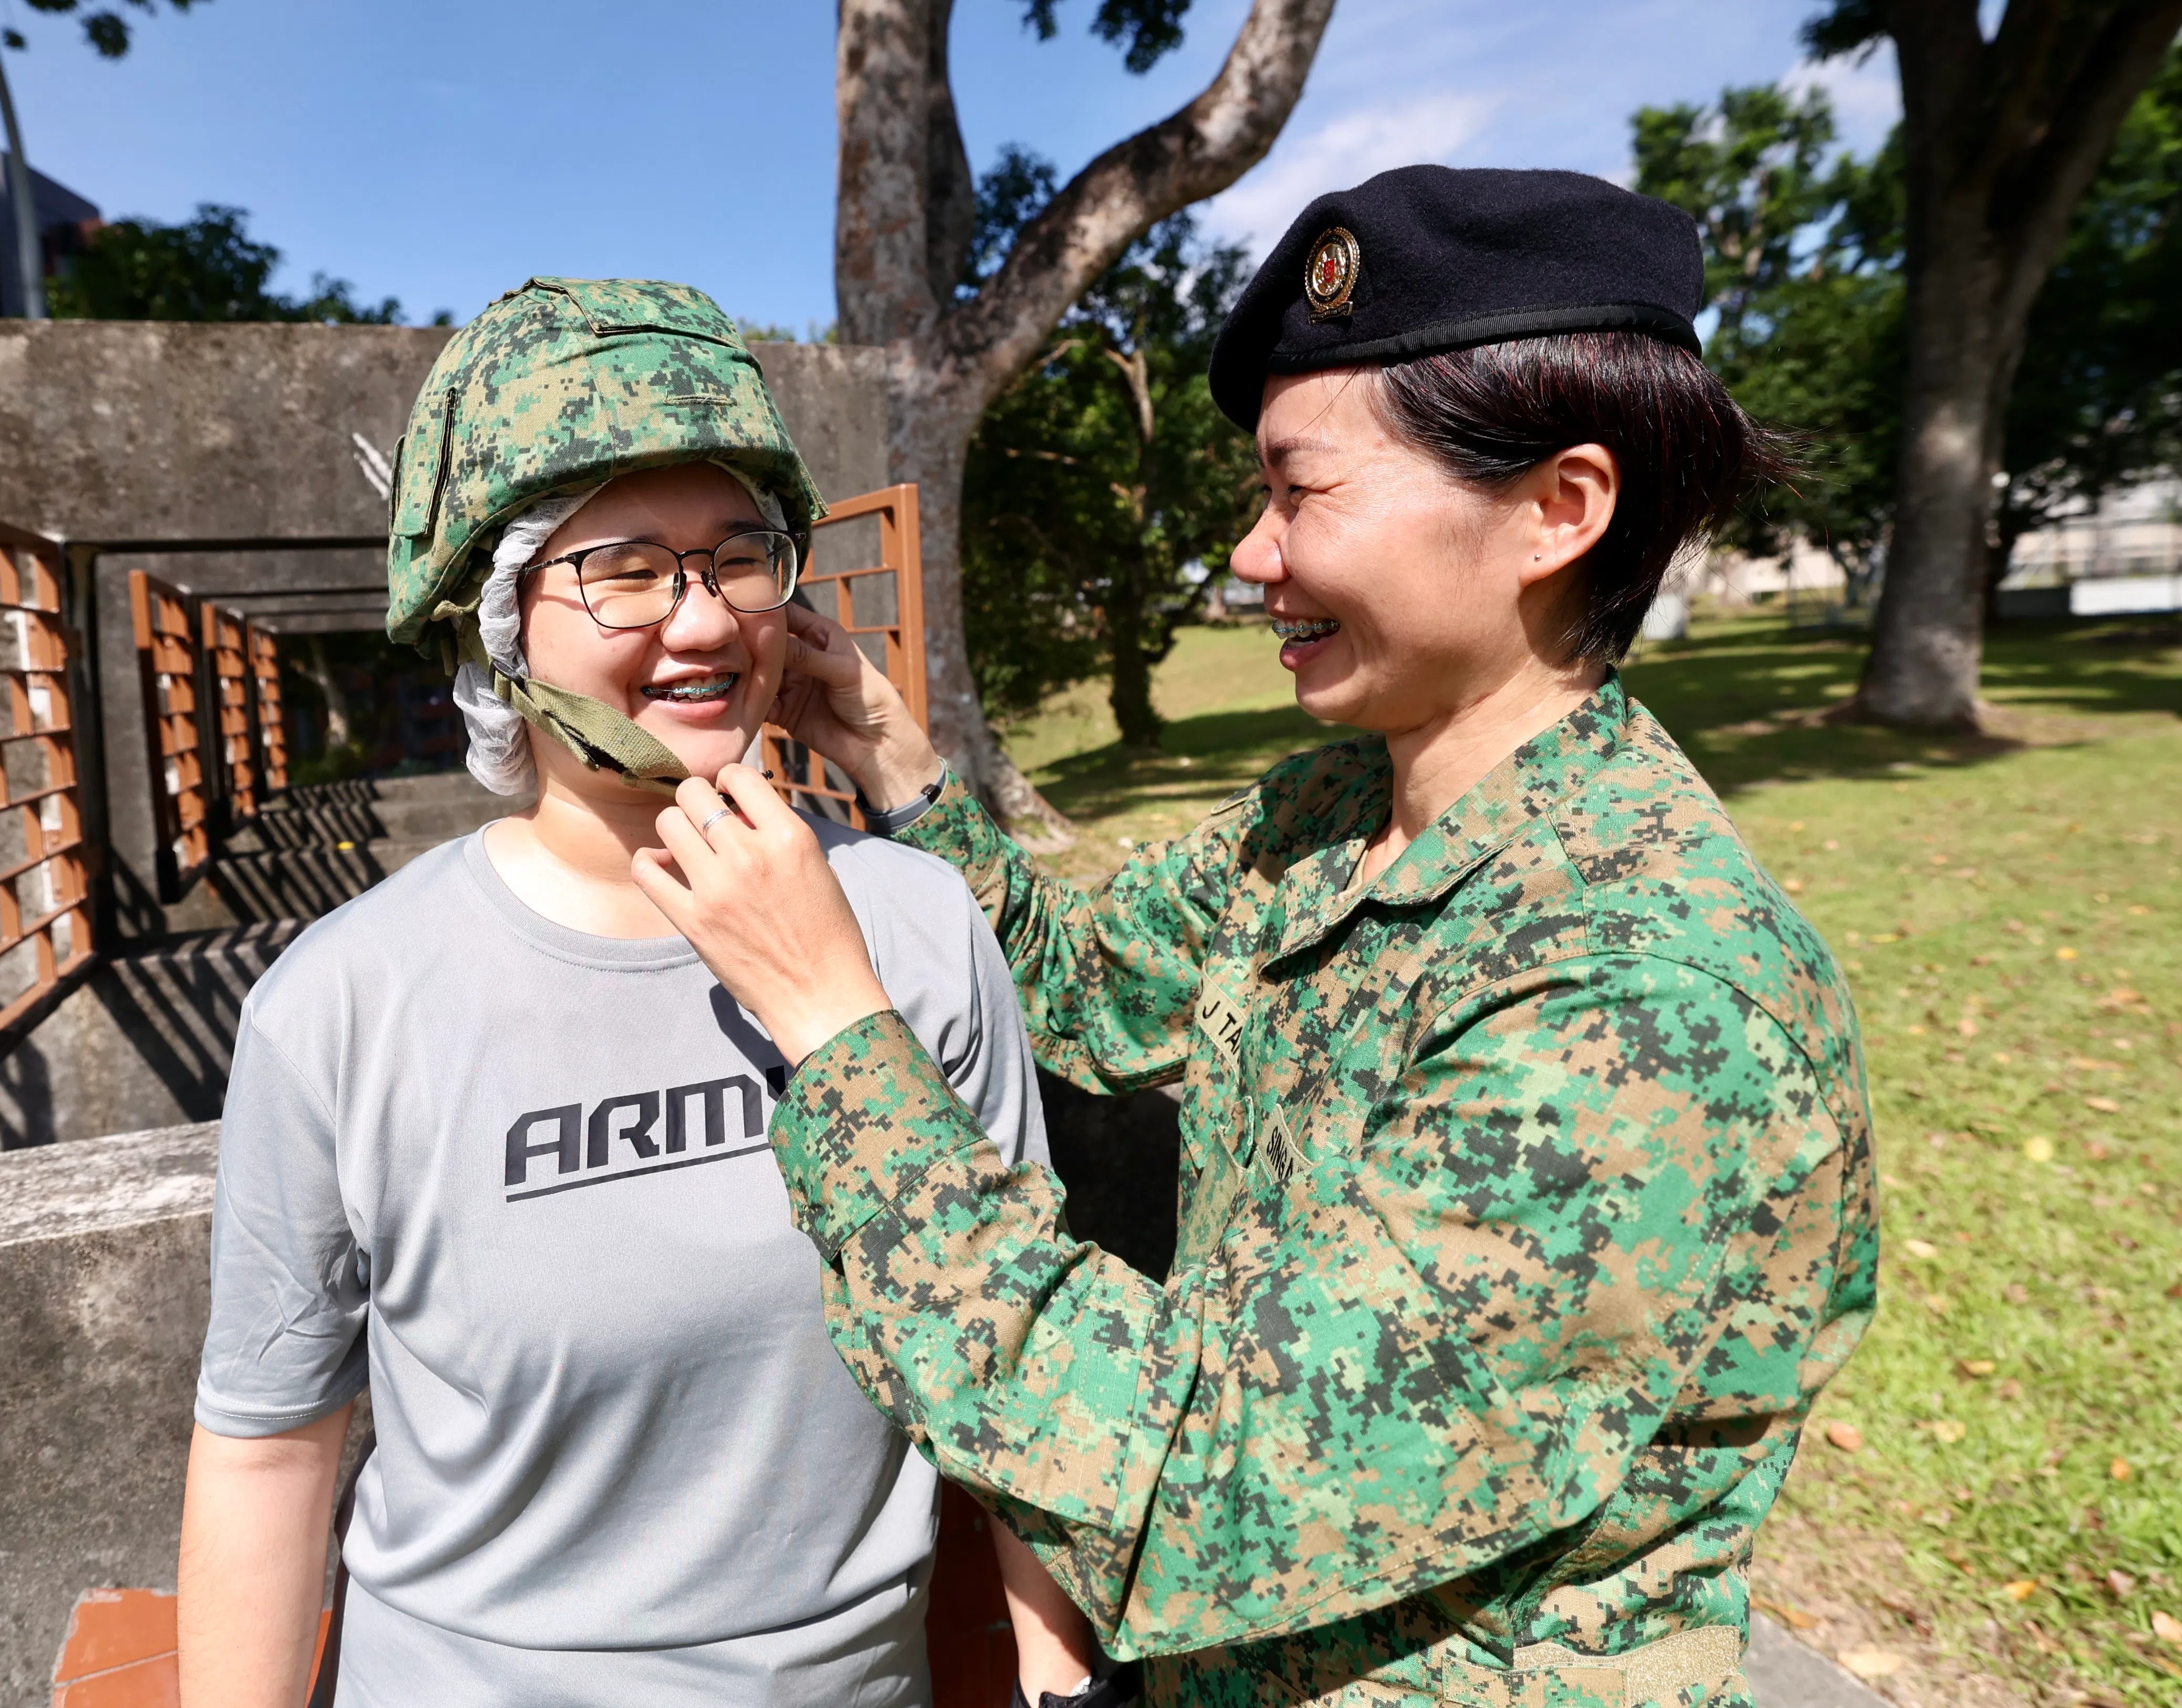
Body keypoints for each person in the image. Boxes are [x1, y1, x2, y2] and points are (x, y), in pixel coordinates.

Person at [631, 169, 1879, 1705]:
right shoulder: (1341, 805)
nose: (1252, 554)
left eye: (1304, 491)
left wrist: (834, 1029)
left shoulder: (1647, 1000)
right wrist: (898, 770)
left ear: (1559, 509)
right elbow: (1079, 989)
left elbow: (1213, 1483)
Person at [176, 278, 1112, 1708]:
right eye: (622, 567)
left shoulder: (920, 928)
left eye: (740, 554)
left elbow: (1021, 1357)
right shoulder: (346, 1006)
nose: (702, 618)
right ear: (498, 621)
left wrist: (1063, 1685)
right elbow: (268, 1448)